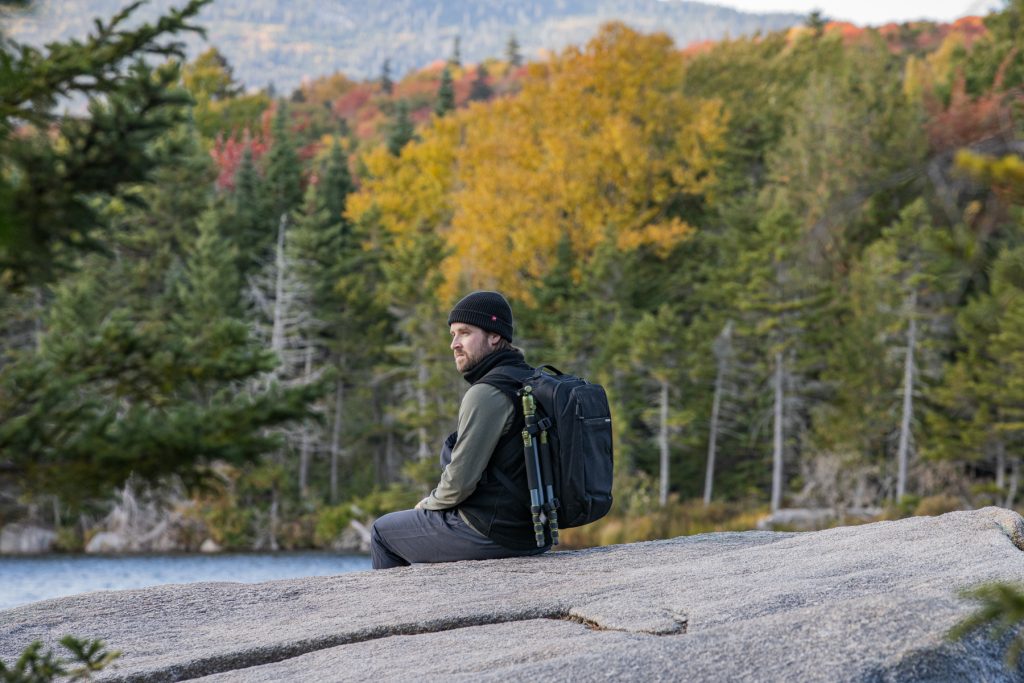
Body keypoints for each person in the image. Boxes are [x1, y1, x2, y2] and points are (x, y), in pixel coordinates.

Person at [370, 291, 551, 569]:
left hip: (493, 531)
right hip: (534, 532)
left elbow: (459, 484)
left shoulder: (488, 392)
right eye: (453, 334)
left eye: (464, 333)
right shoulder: (531, 380)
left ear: (494, 336)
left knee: (383, 532)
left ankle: (395, 612)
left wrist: (428, 504)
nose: (454, 344)